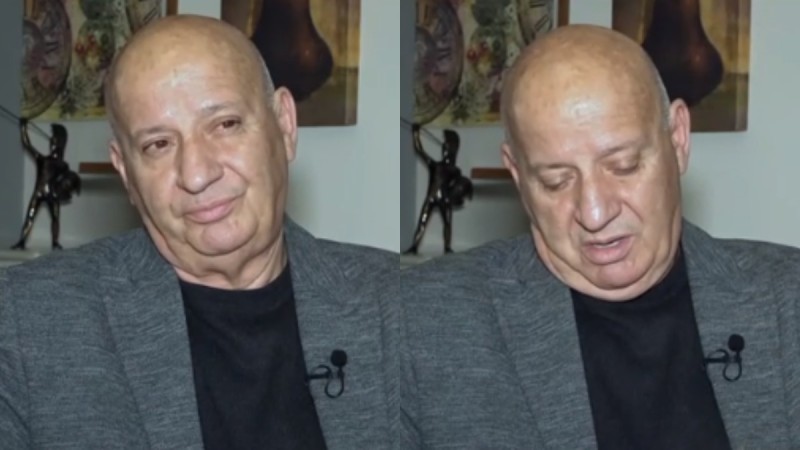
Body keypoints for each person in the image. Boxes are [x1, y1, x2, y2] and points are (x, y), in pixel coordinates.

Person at [0, 15, 401, 449]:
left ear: (285, 124)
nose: (196, 174)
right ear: (126, 172)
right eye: (158, 144)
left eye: (225, 124)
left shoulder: (398, 304)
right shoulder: (25, 321)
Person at [399, 25, 800, 449]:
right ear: (517, 174)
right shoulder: (421, 324)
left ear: (678, 138)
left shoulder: (787, 302)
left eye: (623, 166)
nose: (594, 213)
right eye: (555, 181)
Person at [11, 119, 80, 250]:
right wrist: (23, 129)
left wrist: (24, 128)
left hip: (51, 194)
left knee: (54, 218)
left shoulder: (60, 165)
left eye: (54, 141)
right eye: (52, 141)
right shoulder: (44, 160)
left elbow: (66, 181)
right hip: (40, 193)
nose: (52, 143)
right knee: (32, 216)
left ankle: (54, 242)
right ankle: (23, 241)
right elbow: (27, 144)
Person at [404, 123, 473, 254]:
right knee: (423, 222)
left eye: (446, 147)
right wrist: (415, 134)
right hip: (431, 198)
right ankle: (415, 246)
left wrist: (460, 192)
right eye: (444, 147)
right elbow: (419, 150)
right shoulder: (435, 165)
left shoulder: (454, 170)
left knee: (447, 223)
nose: (444, 150)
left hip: (444, 200)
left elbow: (458, 186)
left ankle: (447, 247)